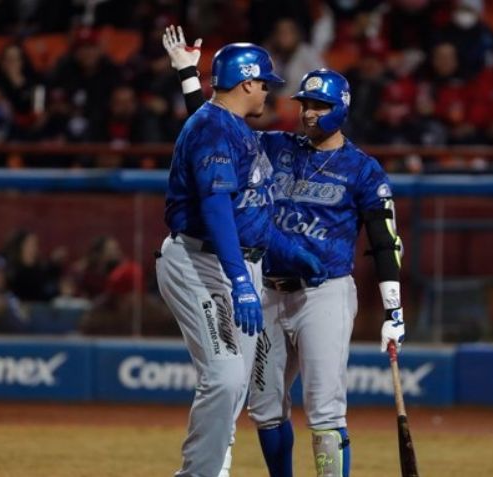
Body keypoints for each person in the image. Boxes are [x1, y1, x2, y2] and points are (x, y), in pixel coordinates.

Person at [163, 27, 406, 477]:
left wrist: (393, 308)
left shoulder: (363, 169)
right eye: (305, 104)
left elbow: (383, 235)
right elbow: (213, 130)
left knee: (325, 407)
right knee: (265, 406)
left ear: (342, 110)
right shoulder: (274, 145)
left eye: (320, 106)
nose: (309, 113)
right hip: (267, 289)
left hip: (323, 292)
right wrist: (188, 79)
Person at [156, 32, 327, 477]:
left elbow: (251, 213)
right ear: (247, 83)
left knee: (233, 385)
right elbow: (216, 210)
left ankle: (212, 468)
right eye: (264, 82)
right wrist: (238, 283)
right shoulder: (215, 128)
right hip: (203, 261)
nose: (268, 90)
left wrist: (289, 251)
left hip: (237, 261)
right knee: (226, 375)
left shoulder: (228, 127)